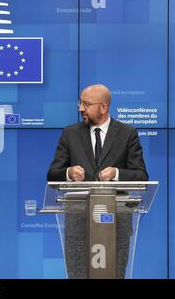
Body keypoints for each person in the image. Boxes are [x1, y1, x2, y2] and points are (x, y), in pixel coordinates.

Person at [47, 84, 148, 278]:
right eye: (80, 103)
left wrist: (117, 174)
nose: (80, 108)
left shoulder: (127, 134)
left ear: (103, 107)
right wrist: (68, 173)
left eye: (86, 104)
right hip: (78, 219)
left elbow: (141, 176)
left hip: (117, 219)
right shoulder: (70, 133)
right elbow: (52, 175)